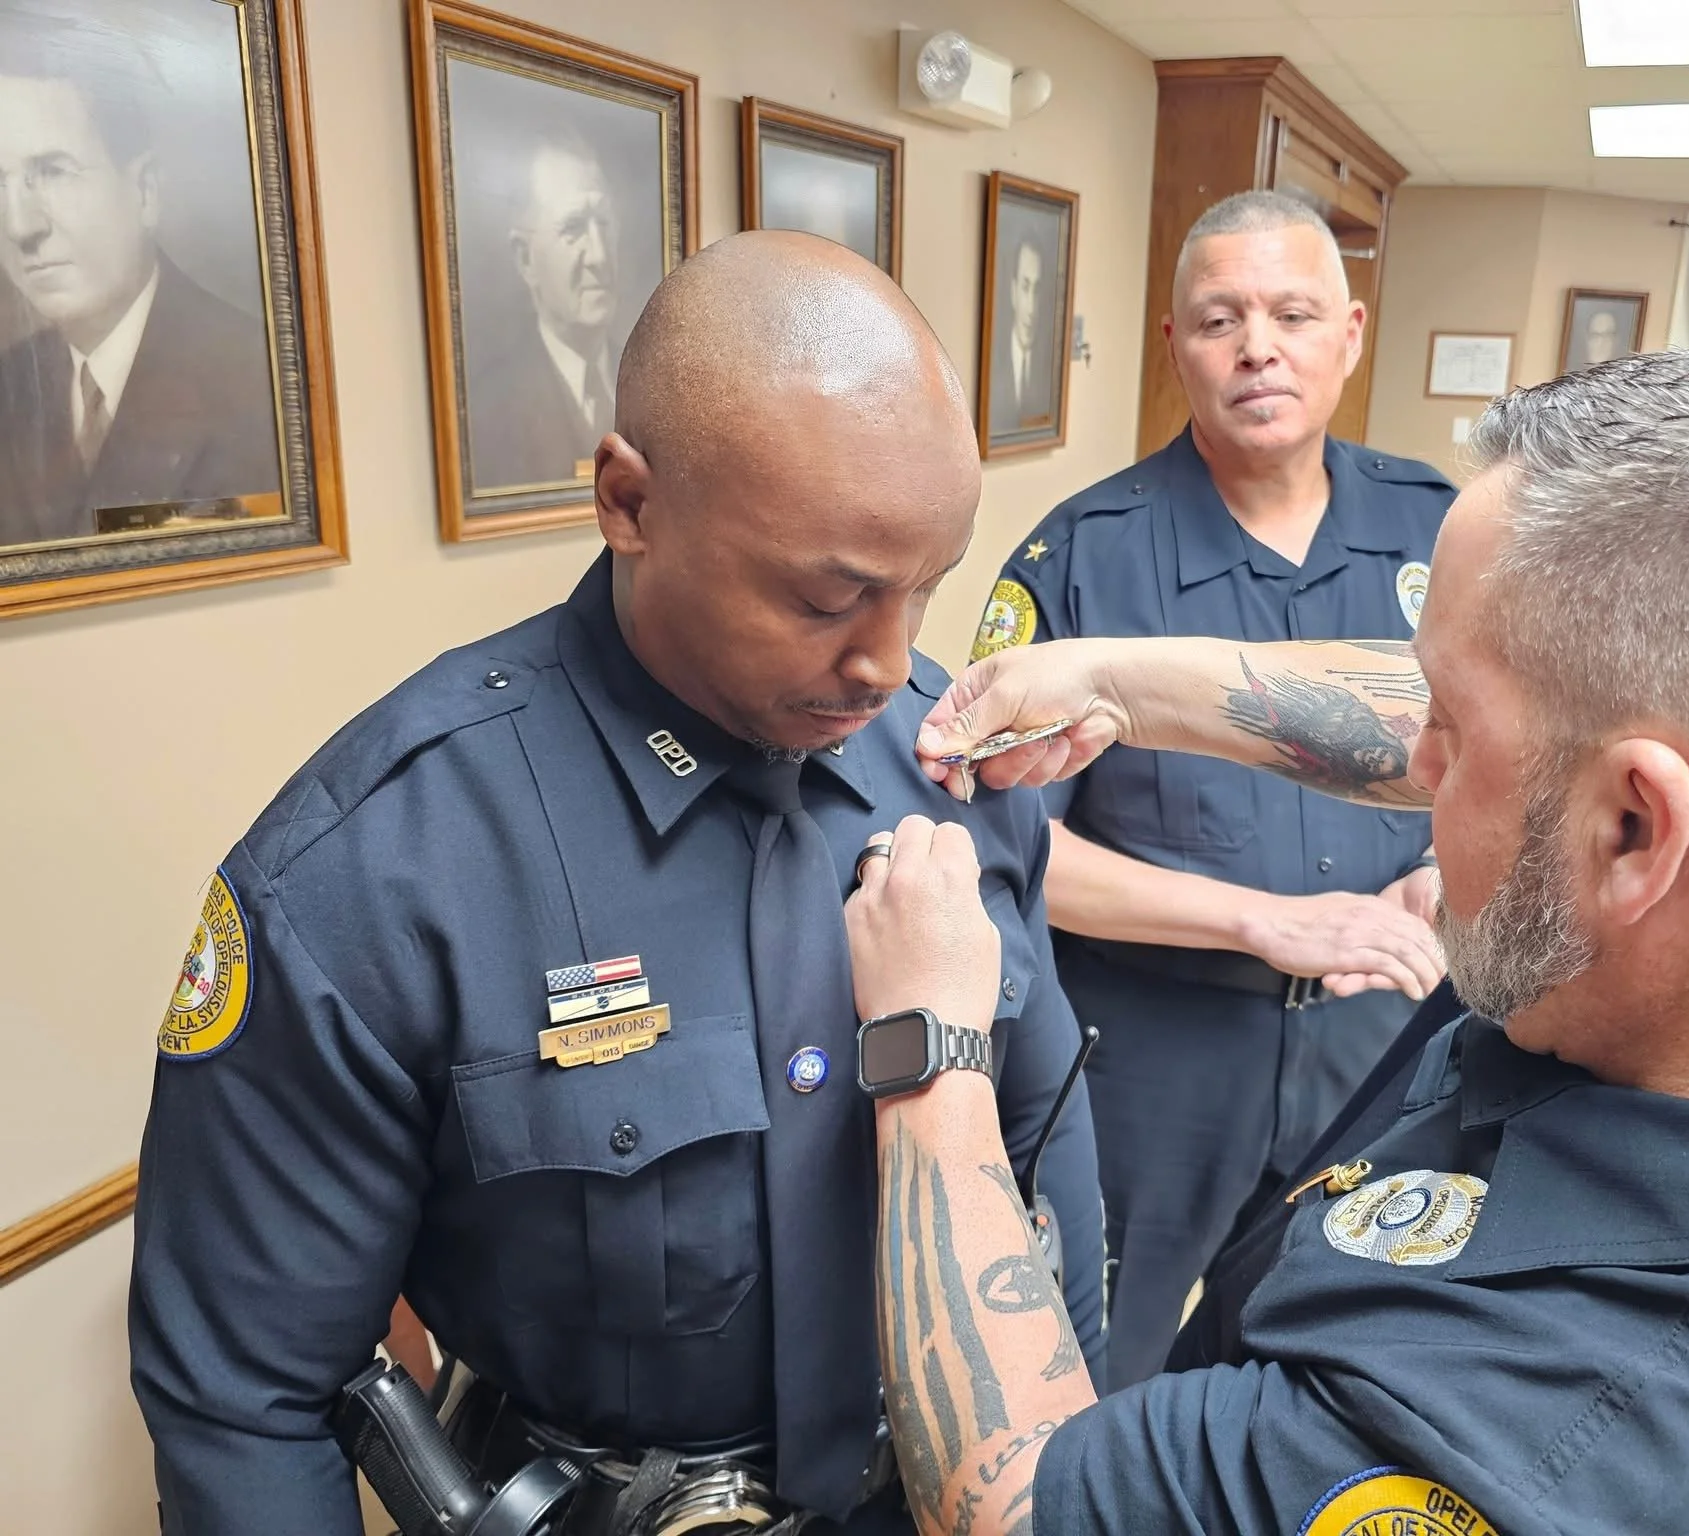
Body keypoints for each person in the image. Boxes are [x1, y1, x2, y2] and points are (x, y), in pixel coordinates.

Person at [855, 348, 1689, 1535]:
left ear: (1633, 831)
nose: (1419, 763)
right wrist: (1124, 684)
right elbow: (1557, 720)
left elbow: (1010, 1503)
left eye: (1452, 733)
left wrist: (930, 1043)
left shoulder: (1542, 1435)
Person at [128, 230, 1105, 1536]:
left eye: (925, 590)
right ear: (630, 504)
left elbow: (1050, 1177)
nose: (888, 662)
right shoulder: (377, 864)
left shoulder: (951, 766)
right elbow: (247, 1398)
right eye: (831, 599)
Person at [968, 189, 1452, 1387]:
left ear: (1348, 332)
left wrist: (1446, 876)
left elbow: (1530, 768)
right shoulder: (1081, 558)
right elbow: (1014, 849)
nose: (1257, 348)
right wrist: (1259, 921)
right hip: (1152, 1059)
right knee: (1103, 1370)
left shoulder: (1441, 535)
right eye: (1218, 319)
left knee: (1334, 1357)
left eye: (1291, 314)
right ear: (1175, 345)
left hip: (1379, 1040)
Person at [0, 34, 280, 547]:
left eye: (53, 172)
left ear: (145, 191)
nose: (20, 227)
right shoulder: (9, 383)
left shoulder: (262, 378)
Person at [466, 126, 626, 491]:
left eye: (603, 223)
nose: (599, 256)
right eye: (574, 228)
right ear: (525, 258)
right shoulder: (490, 405)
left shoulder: (650, 385)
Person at [988, 236, 1050, 431]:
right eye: (1025, 288)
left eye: (1037, 290)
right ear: (1013, 291)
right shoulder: (994, 359)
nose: (1031, 308)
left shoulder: (1048, 366)